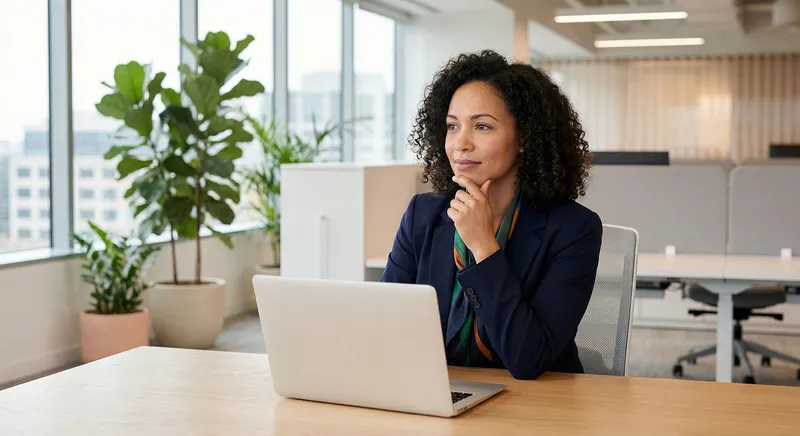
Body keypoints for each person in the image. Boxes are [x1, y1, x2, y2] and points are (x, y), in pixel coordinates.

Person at [380, 50, 603, 380]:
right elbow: (385, 327)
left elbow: (528, 359)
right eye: (452, 127)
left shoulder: (574, 229)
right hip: (439, 394)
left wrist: (483, 246)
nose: (461, 144)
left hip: (538, 407)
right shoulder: (422, 215)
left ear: (524, 138)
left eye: (482, 126)